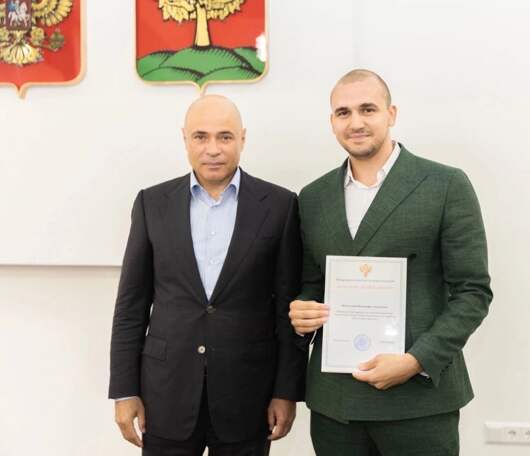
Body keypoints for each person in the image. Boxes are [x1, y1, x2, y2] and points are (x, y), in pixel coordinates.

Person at [289, 69, 493, 456]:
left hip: (419, 402)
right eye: (343, 112)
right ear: (332, 121)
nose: (356, 122)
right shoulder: (313, 197)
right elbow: (313, 285)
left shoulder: (445, 185)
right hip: (336, 405)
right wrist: (302, 310)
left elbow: (473, 292)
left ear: (391, 114)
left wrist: (417, 361)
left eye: (368, 109)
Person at [109, 95, 305, 456]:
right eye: (201, 136)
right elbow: (131, 306)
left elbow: (287, 309)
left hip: (248, 395)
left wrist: (286, 391)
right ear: (185, 139)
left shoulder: (280, 205)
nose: (213, 149)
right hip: (165, 394)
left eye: (225, 137)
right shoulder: (152, 203)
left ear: (242, 138)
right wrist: (124, 390)